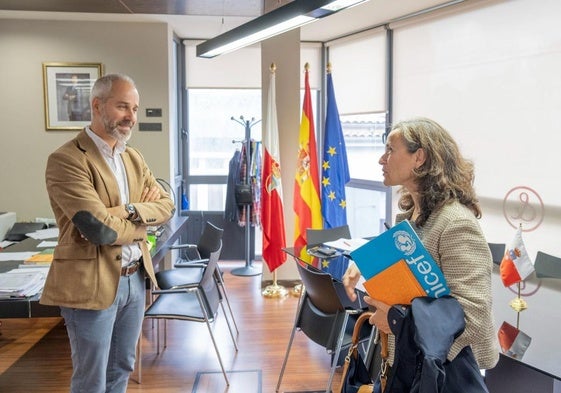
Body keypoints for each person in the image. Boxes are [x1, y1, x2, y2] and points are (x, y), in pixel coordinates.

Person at [41, 73, 175, 393]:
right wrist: (141, 219)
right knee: (92, 378)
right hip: (91, 281)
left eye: (136, 109)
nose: (131, 117)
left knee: (122, 367)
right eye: (122, 107)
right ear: (97, 105)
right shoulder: (67, 159)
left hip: (134, 278)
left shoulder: (133, 156)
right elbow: (99, 229)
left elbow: (166, 208)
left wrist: (126, 212)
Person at [342, 117, 499, 385]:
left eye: (391, 149)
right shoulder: (412, 217)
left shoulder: (456, 223)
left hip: (445, 371)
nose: (382, 159)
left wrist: (395, 322)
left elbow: (473, 315)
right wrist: (367, 262)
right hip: (411, 364)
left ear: (420, 158)